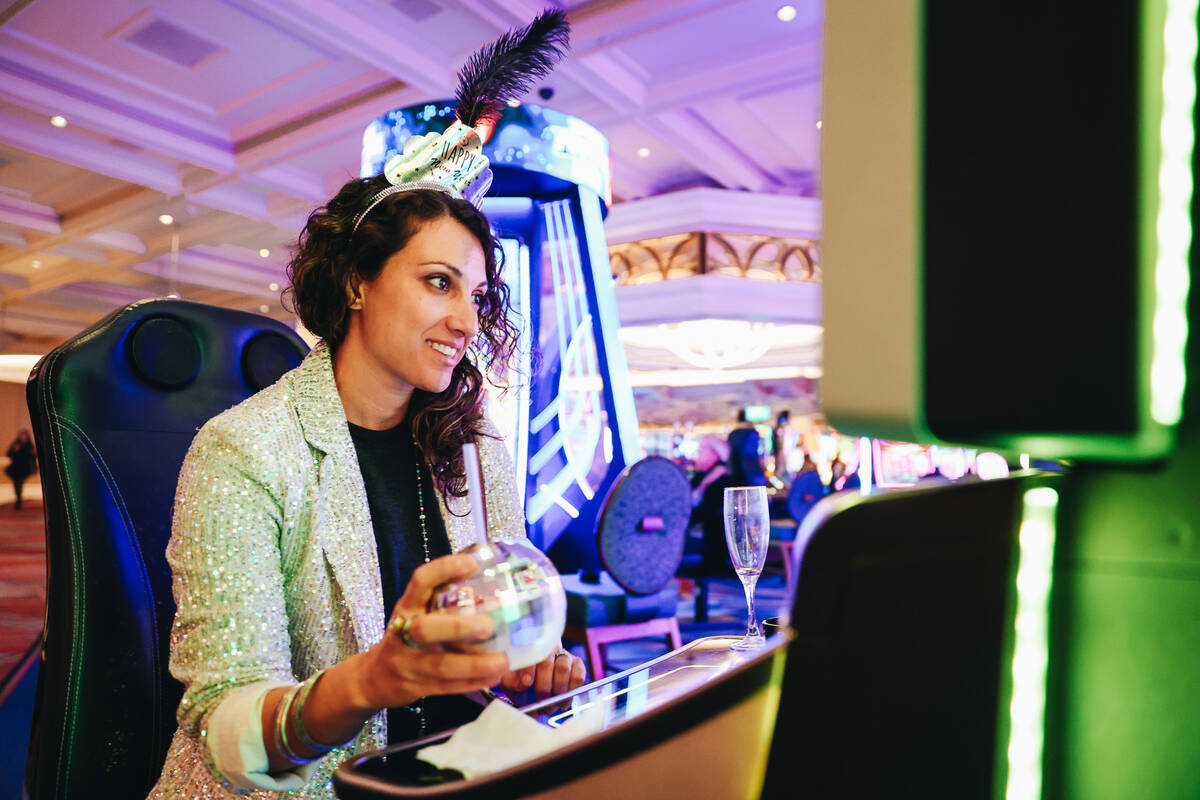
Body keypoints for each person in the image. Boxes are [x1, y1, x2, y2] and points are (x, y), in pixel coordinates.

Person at [149, 12, 581, 798]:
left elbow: (499, 625)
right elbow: (224, 733)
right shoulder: (244, 451)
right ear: (356, 282)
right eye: (438, 282)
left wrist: (519, 664)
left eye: (477, 295)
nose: (464, 320)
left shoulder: (475, 443)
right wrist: (370, 681)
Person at [687, 435, 737, 575]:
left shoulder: (723, 478)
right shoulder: (702, 476)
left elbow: (705, 511)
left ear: (715, 454)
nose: (698, 453)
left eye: (702, 449)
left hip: (712, 532)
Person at [5, 429, 35, 510]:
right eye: (22, 435)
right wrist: (15, 450)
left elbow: (32, 458)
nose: (23, 437)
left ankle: (19, 499)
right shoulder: (16, 444)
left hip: (24, 468)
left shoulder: (29, 445)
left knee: (19, 483)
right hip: (15, 468)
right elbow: (8, 454)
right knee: (16, 484)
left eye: (24, 435)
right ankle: (18, 498)